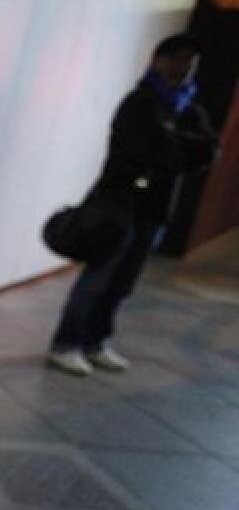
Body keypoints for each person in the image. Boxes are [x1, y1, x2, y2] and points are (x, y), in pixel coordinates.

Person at [48, 32, 217, 376]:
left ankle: (96, 343)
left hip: (153, 209)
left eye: (188, 62)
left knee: (123, 282)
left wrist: (172, 143)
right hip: (118, 204)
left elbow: (206, 151)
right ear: (157, 60)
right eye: (174, 59)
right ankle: (66, 344)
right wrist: (177, 149)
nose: (181, 68)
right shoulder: (139, 102)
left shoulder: (189, 108)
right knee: (98, 277)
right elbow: (139, 151)